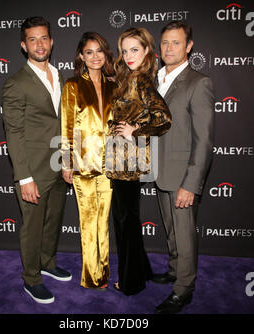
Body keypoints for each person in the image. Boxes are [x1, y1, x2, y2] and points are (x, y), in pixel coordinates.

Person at [2, 16, 72, 304]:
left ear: (52, 41)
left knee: (53, 220)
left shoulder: (60, 76)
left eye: (44, 38)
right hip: (33, 169)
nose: (39, 44)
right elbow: (14, 132)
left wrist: (67, 160)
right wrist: (24, 177)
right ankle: (32, 278)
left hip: (57, 164)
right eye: (32, 39)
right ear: (23, 45)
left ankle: (47, 261)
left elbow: (67, 121)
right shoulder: (15, 83)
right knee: (32, 226)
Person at [153, 21, 215, 314]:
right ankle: (176, 270)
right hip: (160, 172)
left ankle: (184, 289)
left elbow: (203, 140)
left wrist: (191, 183)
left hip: (182, 176)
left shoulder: (198, 83)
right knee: (171, 231)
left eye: (176, 43)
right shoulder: (156, 80)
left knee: (185, 235)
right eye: (165, 42)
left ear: (189, 46)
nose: (168, 48)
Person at [105, 27, 172, 296]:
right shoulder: (129, 76)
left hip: (127, 161)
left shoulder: (142, 79)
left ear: (146, 51)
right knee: (127, 219)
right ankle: (141, 270)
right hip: (120, 159)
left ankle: (131, 282)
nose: (129, 55)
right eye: (125, 50)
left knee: (125, 221)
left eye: (135, 49)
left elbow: (163, 118)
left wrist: (136, 130)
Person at [61, 32, 116, 290]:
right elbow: (67, 127)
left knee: (103, 221)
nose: (95, 56)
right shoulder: (72, 85)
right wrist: (66, 162)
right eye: (89, 52)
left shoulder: (114, 86)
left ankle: (102, 273)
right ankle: (92, 276)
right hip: (83, 164)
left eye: (99, 51)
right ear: (81, 56)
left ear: (106, 54)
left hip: (110, 165)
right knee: (88, 221)